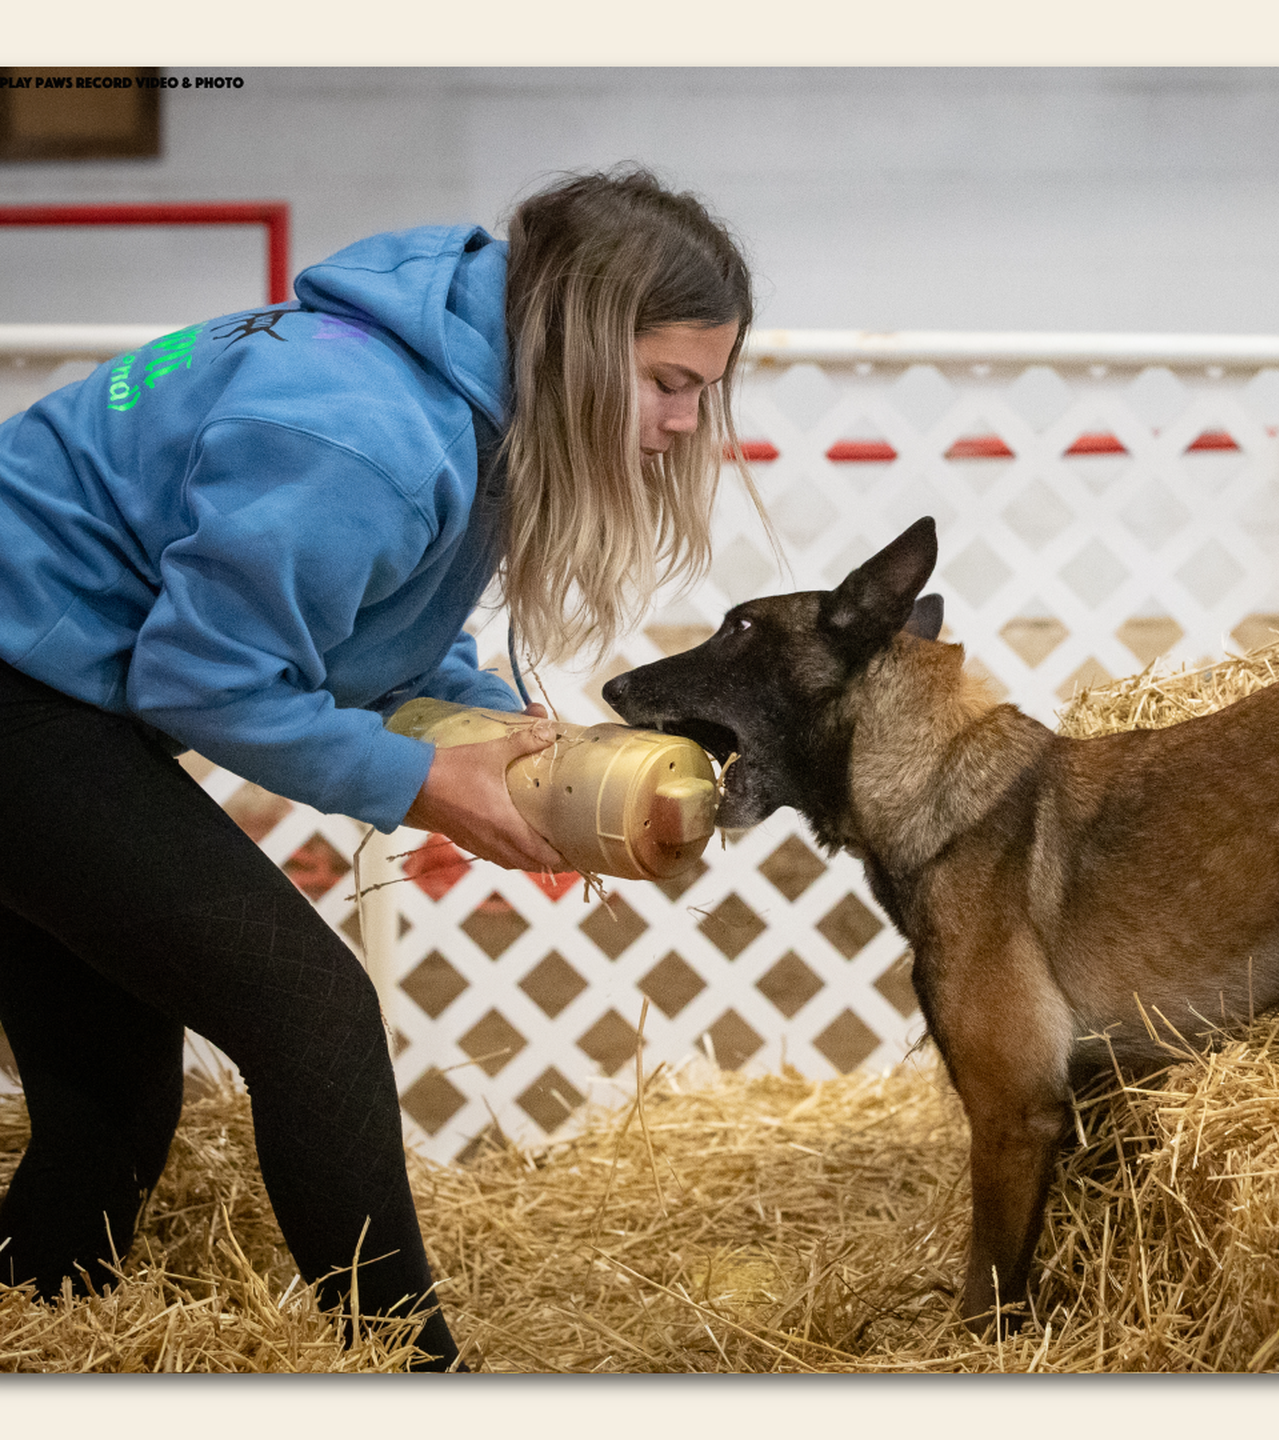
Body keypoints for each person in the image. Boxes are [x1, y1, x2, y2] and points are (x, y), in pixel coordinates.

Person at [0, 166, 757, 1370]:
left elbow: (373, 636)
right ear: (574, 335)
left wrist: (510, 733)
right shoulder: (364, 428)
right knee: (313, 1015)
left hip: (54, 687)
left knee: (109, 1113)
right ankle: (419, 1378)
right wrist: (424, 786)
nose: (682, 425)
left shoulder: (458, 386)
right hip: (25, 696)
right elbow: (203, 680)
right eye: (669, 384)